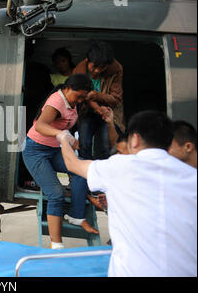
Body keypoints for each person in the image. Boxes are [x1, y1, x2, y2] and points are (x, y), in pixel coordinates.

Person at [58, 110, 197, 276]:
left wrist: (64, 140)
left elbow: (73, 164)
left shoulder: (118, 167)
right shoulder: (192, 176)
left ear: (135, 139)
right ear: (168, 143)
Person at [22, 73, 98, 250]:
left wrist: (72, 139)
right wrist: (59, 134)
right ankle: (56, 245)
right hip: (36, 151)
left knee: (82, 170)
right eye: (78, 96)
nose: (79, 100)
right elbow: (40, 125)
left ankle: (76, 216)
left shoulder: (73, 101)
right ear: (68, 88)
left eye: (82, 97)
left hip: (55, 149)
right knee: (56, 194)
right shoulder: (56, 101)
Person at [73, 41, 124, 160]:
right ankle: (85, 176)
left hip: (109, 113)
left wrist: (97, 96)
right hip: (87, 111)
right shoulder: (79, 71)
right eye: (94, 66)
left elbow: (116, 98)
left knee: (107, 147)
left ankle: (105, 176)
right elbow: (81, 96)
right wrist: (97, 107)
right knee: (84, 144)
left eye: (102, 67)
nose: (97, 71)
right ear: (87, 61)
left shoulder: (116, 70)